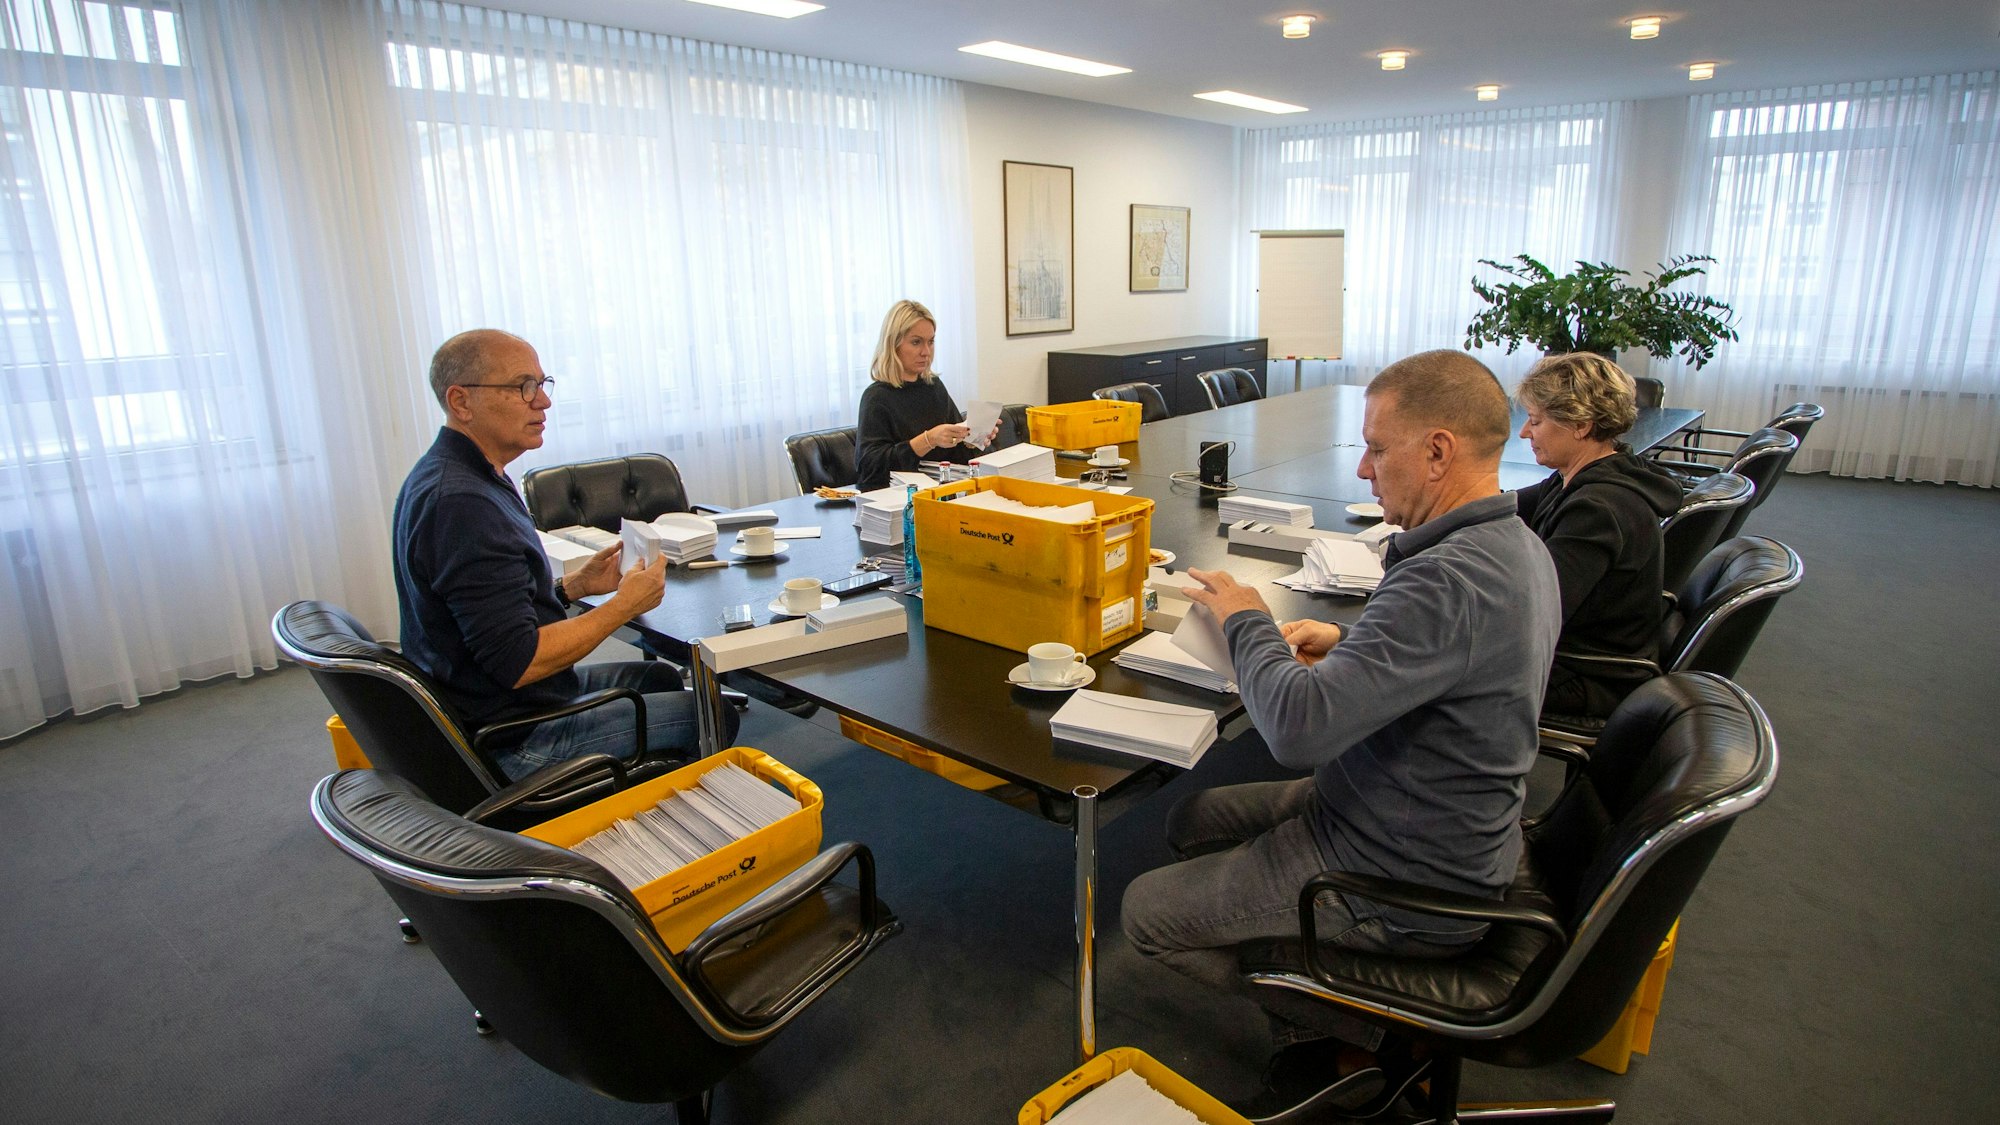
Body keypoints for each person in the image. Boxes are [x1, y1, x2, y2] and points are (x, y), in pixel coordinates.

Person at [1119, 350, 1561, 1119]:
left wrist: (1248, 620)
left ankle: (1373, 1027)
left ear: (1438, 451)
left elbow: (1295, 729)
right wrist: (1350, 646)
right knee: (1192, 818)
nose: (1363, 469)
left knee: (1144, 914)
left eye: (1378, 449)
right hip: (1416, 814)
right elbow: (1447, 667)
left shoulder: (1445, 578)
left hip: (1398, 870)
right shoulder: (1515, 544)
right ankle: (1318, 992)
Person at [392, 329, 735, 783]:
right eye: (522, 387)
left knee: (662, 680)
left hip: (501, 697)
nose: (544, 402)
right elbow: (520, 661)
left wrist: (572, 587)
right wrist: (623, 606)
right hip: (511, 737)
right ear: (461, 402)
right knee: (715, 714)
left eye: (541, 383)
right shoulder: (461, 504)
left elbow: (484, 610)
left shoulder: (466, 473)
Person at [1514, 352, 1684, 719]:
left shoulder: (1597, 510)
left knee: (1435, 676)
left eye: (1535, 421)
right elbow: (1503, 508)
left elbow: (1537, 614)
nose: (1525, 432)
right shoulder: (1588, 475)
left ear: (1580, 425)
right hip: (1583, 655)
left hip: (1589, 676)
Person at [855, 299, 996, 490]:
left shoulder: (934, 386)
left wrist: (972, 440)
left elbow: (955, 460)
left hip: (941, 492)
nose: (926, 352)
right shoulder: (876, 397)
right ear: (893, 345)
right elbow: (869, 469)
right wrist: (928, 440)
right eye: (916, 342)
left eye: (931, 342)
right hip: (899, 498)